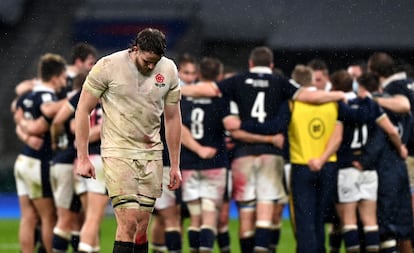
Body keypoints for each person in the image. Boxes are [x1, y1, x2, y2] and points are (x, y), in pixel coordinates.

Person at [218, 46, 345, 253]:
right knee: (283, 217)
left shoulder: (240, 83)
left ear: (250, 64)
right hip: (292, 160)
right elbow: (331, 128)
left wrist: (242, 125)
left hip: (257, 157)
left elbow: (212, 91)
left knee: (250, 216)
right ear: (271, 65)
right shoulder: (288, 89)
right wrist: (340, 94)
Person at [74, 27, 182, 253]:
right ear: (135, 49)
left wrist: (175, 165)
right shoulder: (108, 66)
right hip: (118, 151)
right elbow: (82, 109)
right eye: (147, 61)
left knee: (142, 226)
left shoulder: (169, 69)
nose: (151, 67)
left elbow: (172, 118)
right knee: (128, 221)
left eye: (156, 61)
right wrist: (82, 157)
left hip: (152, 153)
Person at [331, 71, 405, 253]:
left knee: (348, 221)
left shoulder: (339, 106)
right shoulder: (371, 105)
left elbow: (337, 138)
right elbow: (392, 131)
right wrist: (401, 148)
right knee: (370, 221)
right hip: (369, 170)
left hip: (347, 167)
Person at [13, 53, 68, 253]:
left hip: (23, 160)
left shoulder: (28, 95)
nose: (64, 81)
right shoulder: (48, 97)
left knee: (28, 216)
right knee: (48, 217)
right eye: (63, 77)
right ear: (55, 77)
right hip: (38, 161)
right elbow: (46, 117)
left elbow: (16, 112)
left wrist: (25, 133)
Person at [180, 56, 231, 253]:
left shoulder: (183, 96)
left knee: (194, 218)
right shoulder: (221, 97)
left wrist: (196, 148)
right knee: (210, 216)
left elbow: (179, 127)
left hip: (189, 163)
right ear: (219, 75)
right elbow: (230, 125)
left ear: (199, 74)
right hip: (215, 163)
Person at [148, 53, 198, 253]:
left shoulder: (192, 97)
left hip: (185, 163)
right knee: (166, 215)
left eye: (193, 73)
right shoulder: (167, 95)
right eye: (185, 72)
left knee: (179, 216)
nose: (189, 77)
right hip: (166, 161)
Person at [367, 52, 414, 253]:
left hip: (406, 155)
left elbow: (404, 105)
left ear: (375, 73)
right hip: (405, 155)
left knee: (401, 214)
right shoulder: (410, 82)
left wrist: (373, 99)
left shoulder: (393, 89)